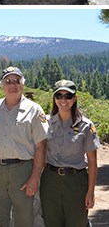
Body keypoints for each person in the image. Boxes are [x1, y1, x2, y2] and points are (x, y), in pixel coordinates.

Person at [0, 66, 48, 227]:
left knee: (23, 218)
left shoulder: (34, 110)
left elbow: (41, 146)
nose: (12, 84)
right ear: (2, 85)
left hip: (22, 170)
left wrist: (34, 178)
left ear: (22, 84)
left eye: (16, 81)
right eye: (8, 81)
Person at [40, 79, 100, 227]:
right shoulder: (46, 123)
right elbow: (39, 151)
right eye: (59, 96)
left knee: (77, 223)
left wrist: (90, 192)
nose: (63, 100)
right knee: (51, 223)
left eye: (68, 96)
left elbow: (92, 161)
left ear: (74, 98)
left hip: (76, 182)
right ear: (54, 98)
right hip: (50, 181)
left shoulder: (86, 125)